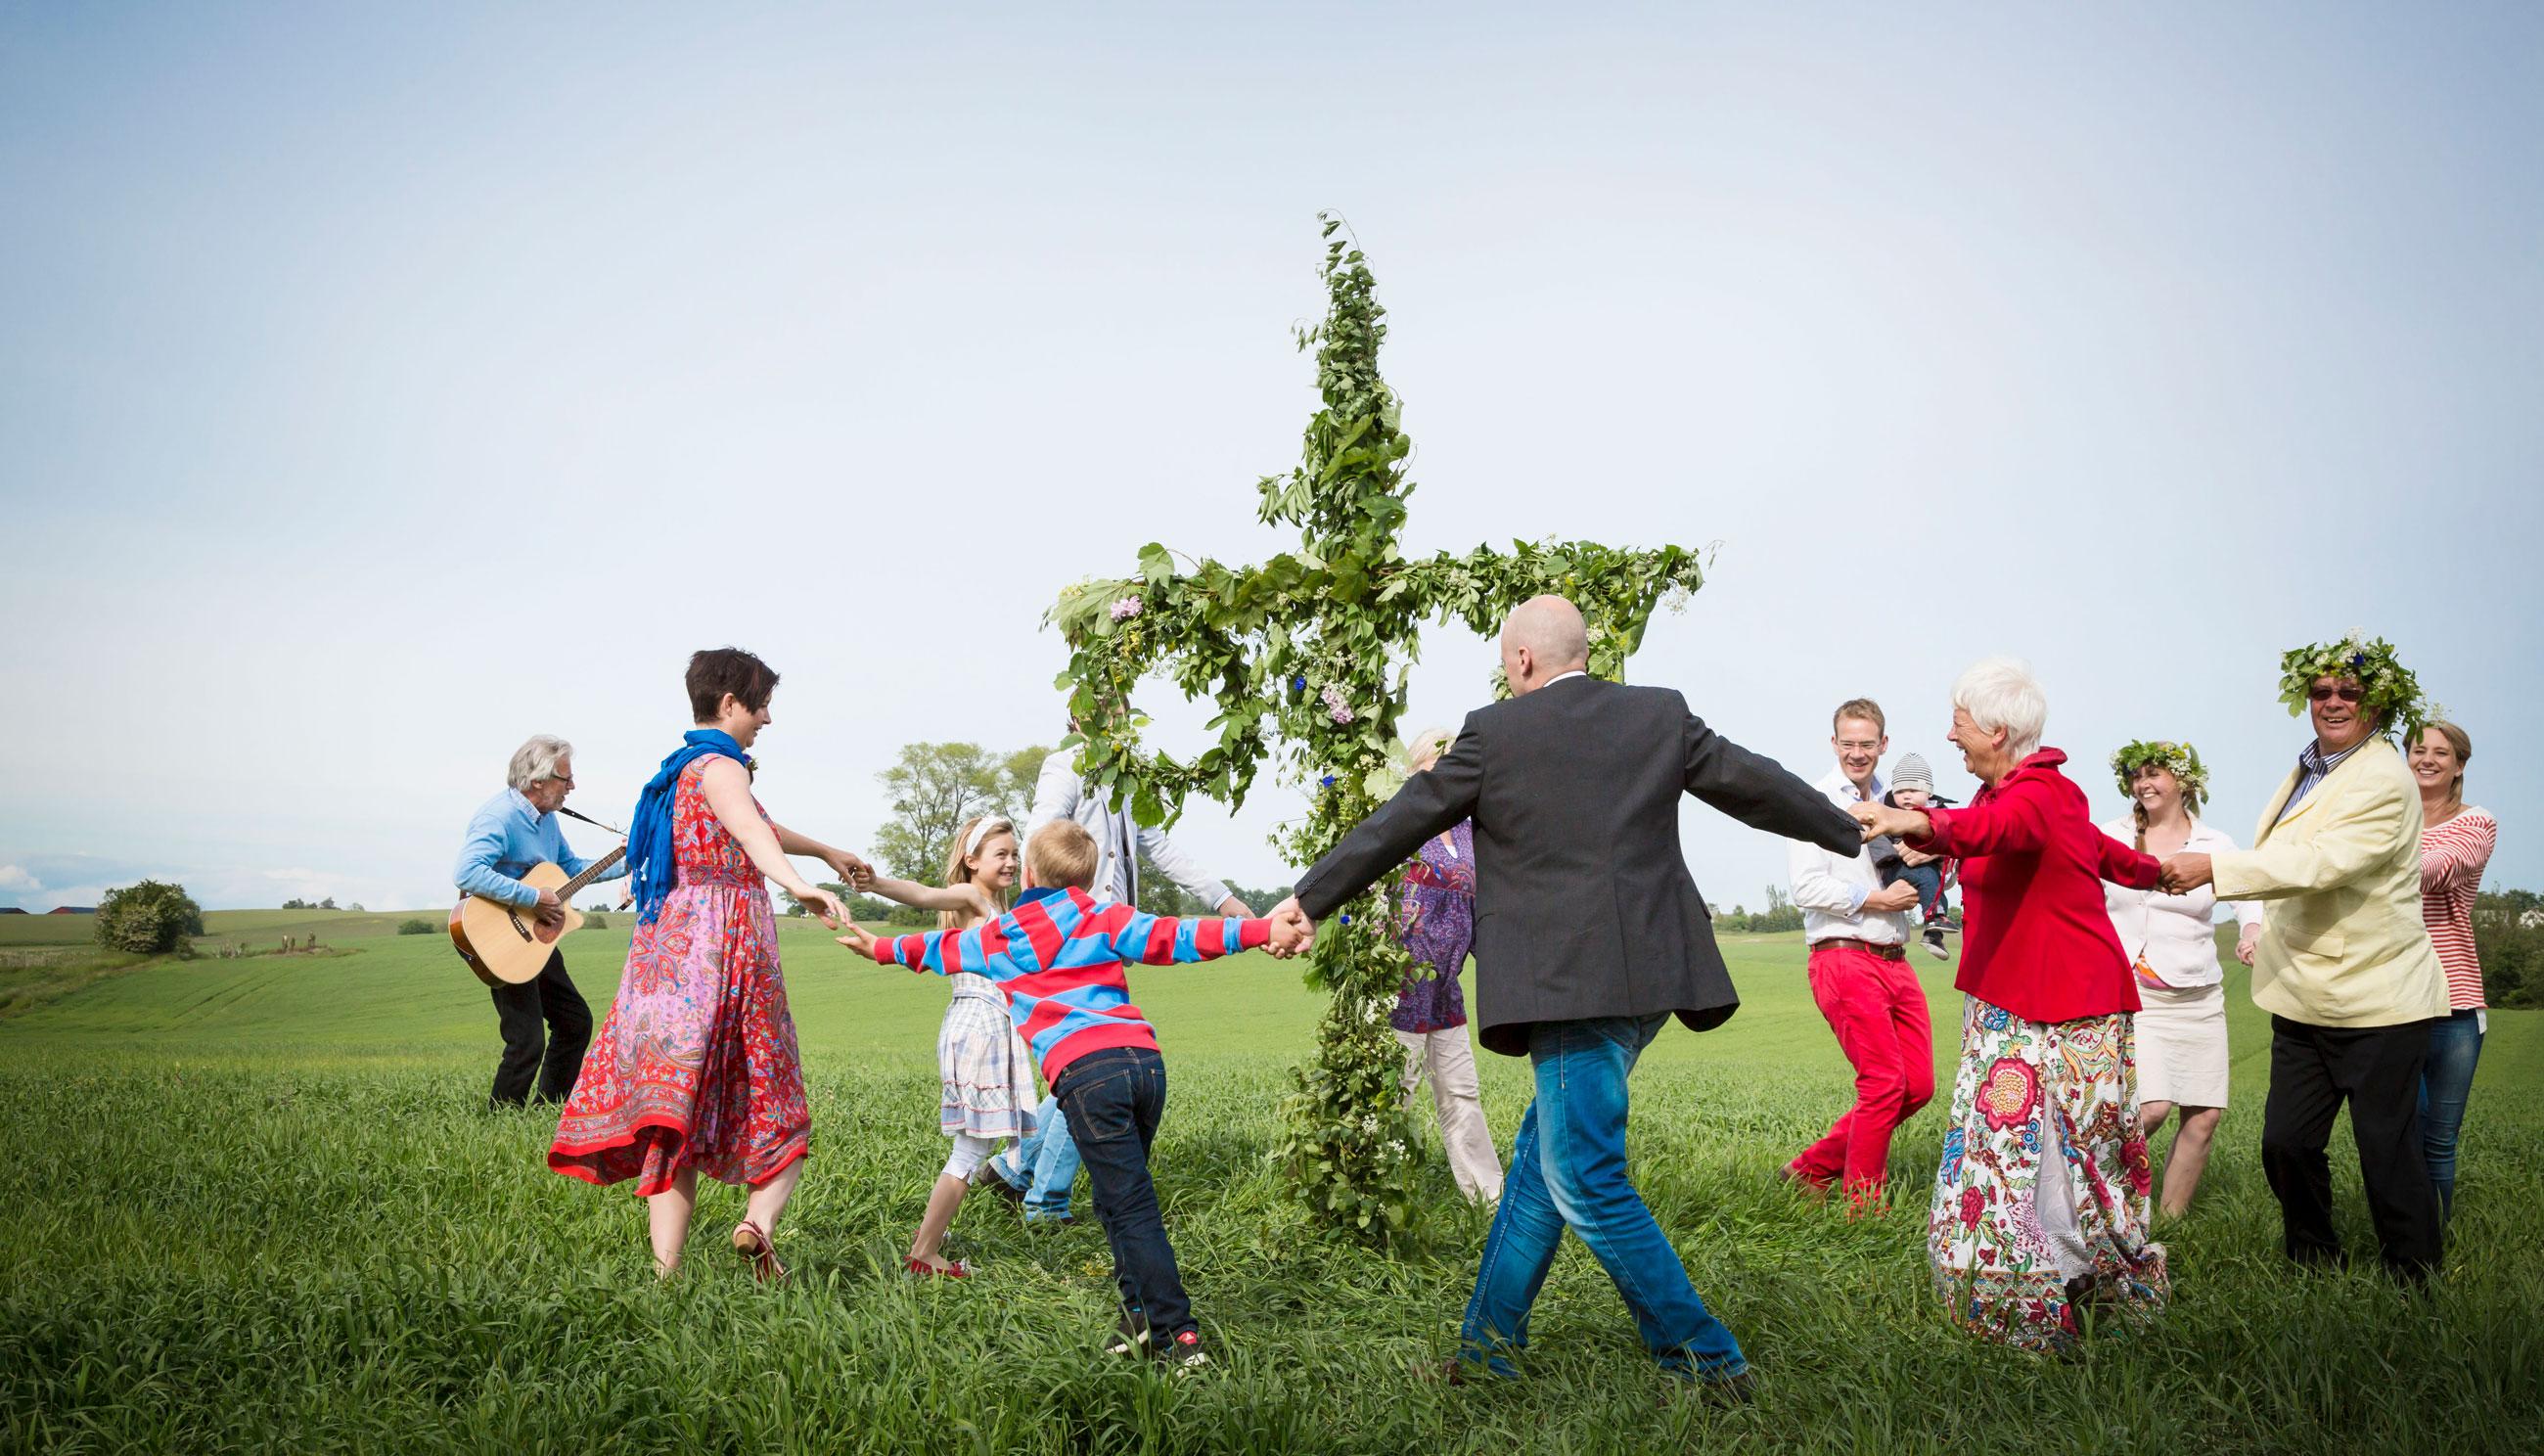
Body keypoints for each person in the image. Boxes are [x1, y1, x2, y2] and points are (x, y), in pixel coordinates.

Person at [1270, 595, 1860, 1401]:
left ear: (1520, 662)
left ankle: (1707, 1359)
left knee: (1582, 1175)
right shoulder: (1660, 713)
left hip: (1568, 990)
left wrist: (1311, 897)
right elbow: (1753, 784)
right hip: (1652, 979)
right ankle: (1486, 1348)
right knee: (1541, 1170)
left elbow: (1404, 819)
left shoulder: (1495, 731)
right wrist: (1850, 830)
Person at [839, 819, 1304, 1370]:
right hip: (1144, 1068)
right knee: (1116, 1200)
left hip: (1090, 1077)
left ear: (1030, 871)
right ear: (1086, 877)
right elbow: (1179, 936)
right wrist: (1259, 930)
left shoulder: (1003, 935)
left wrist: (880, 948)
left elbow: (938, 948)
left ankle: (1179, 1335)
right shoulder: (1102, 916)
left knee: (1130, 1207)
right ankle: (1138, 1318)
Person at [1850, 658, 2167, 1353]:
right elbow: (2100, 852)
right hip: (2009, 1005)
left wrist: (1916, 820)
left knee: (2087, 1147)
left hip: (2072, 1006)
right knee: (2003, 1152)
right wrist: (2158, 871)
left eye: (1959, 724)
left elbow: (2006, 835)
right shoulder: (2005, 799)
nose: (1951, 735)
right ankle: (2016, 1292)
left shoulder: (2042, 794)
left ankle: (2104, 1281)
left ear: (1996, 730)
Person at [548, 648, 866, 1281]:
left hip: (669, 962)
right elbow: (751, 832)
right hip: (727, 953)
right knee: (780, 1102)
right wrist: (798, 884)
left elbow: (759, 824)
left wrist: (827, 849)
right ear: (729, 704)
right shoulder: (722, 766)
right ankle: (757, 1224)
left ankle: (665, 1275)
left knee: (677, 1123)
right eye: (761, 703)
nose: (768, 718)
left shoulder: (681, 772)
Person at [2158, 634, 2449, 1281]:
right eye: (2322, 692)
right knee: (2285, 1143)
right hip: (2304, 993)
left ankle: (2416, 1282)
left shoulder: (2383, 779)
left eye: (2351, 692)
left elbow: (2321, 862)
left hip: (2377, 999)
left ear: (2378, 703)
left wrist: (2215, 867)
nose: (2335, 702)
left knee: (2386, 1151)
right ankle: (2314, 1265)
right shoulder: (2312, 765)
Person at [986, 711, 1257, 1225]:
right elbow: (1042, 832)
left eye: (1121, 707)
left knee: (1089, 1055)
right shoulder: (1066, 764)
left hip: (1105, 930)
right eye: (1106, 707)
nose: (1117, 718)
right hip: (1068, 930)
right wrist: (1039, 916)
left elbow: (1157, 845)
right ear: (1079, 713)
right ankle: (1046, 1202)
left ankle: (1013, 1170)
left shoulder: (1129, 777)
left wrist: (1221, 898)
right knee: (1094, 1056)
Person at [857, 816, 1037, 1275]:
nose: (1011, 862)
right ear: (971, 861)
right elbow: (922, 895)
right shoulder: (974, 898)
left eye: (1015, 854)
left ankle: (927, 1246)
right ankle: (925, 1254)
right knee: (970, 1151)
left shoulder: (996, 905)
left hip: (980, 1025)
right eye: (1001, 854)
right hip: (979, 1027)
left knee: (971, 1147)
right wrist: (877, 882)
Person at [2098, 741, 2262, 1217]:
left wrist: (2252, 930)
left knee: (2204, 1115)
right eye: (2136, 776)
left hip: (2198, 993)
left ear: (2184, 783)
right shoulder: (2112, 835)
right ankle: (2091, 1186)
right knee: (2152, 1107)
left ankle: (2169, 1221)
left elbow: (2250, 895)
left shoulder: (2216, 844)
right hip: (2135, 991)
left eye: (2155, 774)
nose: (2144, 784)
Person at [1783, 700, 1934, 1207]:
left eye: (1866, 743)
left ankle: (1809, 1169)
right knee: (1885, 1084)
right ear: (1834, 744)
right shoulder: (1816, 801)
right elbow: (1806, 887)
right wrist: (1877, 899)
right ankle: (1863, 1206)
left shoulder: (1895, 805)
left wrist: (1929, 856)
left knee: (1918, 1086)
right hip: (1843, 955)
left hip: (1895, 958)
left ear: (1882, 746)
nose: (1856, 753)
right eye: (1847, 743)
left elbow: (1926, 875)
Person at [453, 734, 630, 1110]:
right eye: (565, 779)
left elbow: (571, 870)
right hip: (498, 940)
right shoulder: (499, 816)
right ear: (538, 781)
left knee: (575, 1022)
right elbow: (467, 872)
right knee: (526, 1040)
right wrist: (533, 897)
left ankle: (548, 1109)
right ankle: (499, 1120)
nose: (572, 786)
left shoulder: (547, 821)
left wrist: (630, 859)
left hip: (535, 940)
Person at [1387, 726, 1501, 1205]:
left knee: (1461, 1092)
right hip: (1402, 986)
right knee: (1397, 1094)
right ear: (1418, 769)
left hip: (1446, 988)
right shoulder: (1402, 820)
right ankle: (1383, 1189)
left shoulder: (1468, 829)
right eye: (1437, 763)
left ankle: (1487, 1196)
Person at [2408, 719, 2493, 1219]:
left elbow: (2438, 870)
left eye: (2441, 752)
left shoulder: (2476, 821)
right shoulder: (2386, 820)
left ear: (2459, 764)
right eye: (2418, 750)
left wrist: (2364, 855)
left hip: (2455, 1003)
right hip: (2394, 999)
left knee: (2439, 1138)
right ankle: (2405, 1238)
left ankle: (2432, 1247)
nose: (2428, 759)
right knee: (2403, 1129)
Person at [1872, 752, 1957, 961]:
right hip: (1895, 866)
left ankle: (1933, 935)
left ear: (1929, 792)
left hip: (1932, 870)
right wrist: (1890, 855)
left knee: (1933, 882)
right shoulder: (1888, 812)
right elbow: (1876, 838)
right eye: (1900, 791)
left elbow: (1954, 839)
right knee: (1927, 875)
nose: (1906, 796)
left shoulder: (1942, 814)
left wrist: (1941, 850)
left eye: (1912, 789)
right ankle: (1935, 917)